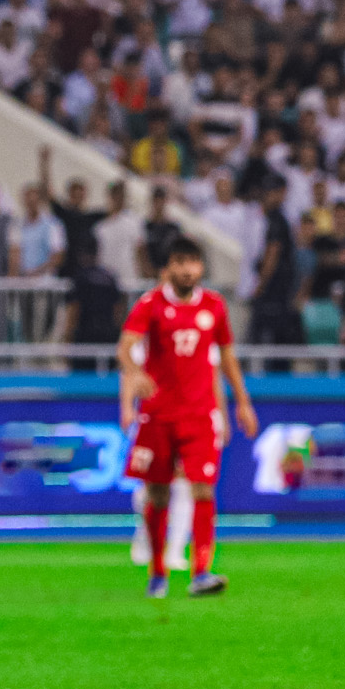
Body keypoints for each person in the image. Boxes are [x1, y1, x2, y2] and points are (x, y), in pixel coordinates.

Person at [117, 237, 259, 599]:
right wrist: (136, 375)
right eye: (180, 262)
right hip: (159, 415)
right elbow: (124, 348)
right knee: (159, 494)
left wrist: (241, 403)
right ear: (168, 268)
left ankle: (201, 572)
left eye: (193, 262)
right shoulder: (150, 305)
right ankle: (158, 571)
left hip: (199, 415)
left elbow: (225, 359)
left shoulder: (214, 306)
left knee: (203, 488)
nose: (187, 269)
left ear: (201, 268)